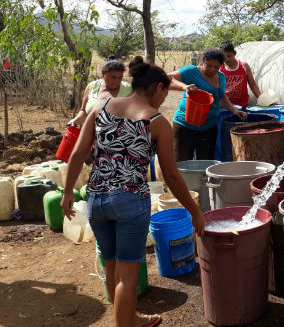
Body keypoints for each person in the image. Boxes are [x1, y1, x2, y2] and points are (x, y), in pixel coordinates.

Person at [60, 56, 206, 327]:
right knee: (128, 278)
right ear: (158, 88)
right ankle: (125, 323)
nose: (163, 99)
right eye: (164, 93)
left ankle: (130, 318)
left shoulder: (100, 108)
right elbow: (172, 176)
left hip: (97, 200)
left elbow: (78, 152)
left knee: (113, 267)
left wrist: (68, 192)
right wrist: (195, 210)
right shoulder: (157, 122)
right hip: (130, 201)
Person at [167, 49, 247, 161]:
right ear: (202, 61)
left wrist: (234, 110)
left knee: (206, 162)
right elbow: (167, 78)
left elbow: (222, 96)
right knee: (183, 163)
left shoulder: (221, 77)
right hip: (185, 126)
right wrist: (184, 87)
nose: (212, 69)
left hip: (208, 127)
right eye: (208, 65)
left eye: (216, 67)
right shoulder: (191, 71)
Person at [68, 57, 131, 127]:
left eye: (120, 78)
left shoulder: (128, 89)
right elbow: (84, 112)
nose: (116, 81)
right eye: (113, 77)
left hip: (119, 136)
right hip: (92, 135)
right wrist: (75, 121)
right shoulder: (92, 86)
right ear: (103, 74)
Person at [219, 41, 261, 108]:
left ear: (234, 53)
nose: (226, 59)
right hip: (225, 107)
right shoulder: (219, 68)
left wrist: (261, 99)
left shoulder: (244, 66)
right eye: (224, 57)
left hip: (242, 106)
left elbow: (252, 84)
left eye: (229, 56)